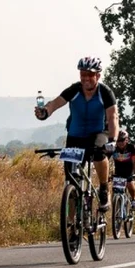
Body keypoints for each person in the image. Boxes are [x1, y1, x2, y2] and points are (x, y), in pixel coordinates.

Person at [34, 56, 119, 211]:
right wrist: (45, 112)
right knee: (71, 184)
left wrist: (113, 140)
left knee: (100, 151)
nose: (86, 78)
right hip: (75, 136)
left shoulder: (105, 93)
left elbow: (113, 117)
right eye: (83, 74)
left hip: (97, 134)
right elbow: (55, 103)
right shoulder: (74, 90)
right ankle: (72, 226)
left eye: (90, 74)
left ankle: (104, 188)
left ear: (98, 76)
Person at [111, 130, 135, 210]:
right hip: (118, 171)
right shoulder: (114, 148)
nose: (120, 143)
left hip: (129, 170)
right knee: (115, 191)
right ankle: (116, 208)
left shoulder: (131, 147)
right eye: (118, 140)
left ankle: (134, 200)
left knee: (130, 184)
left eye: (122, 140)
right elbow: (107, 160)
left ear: (126, 140)